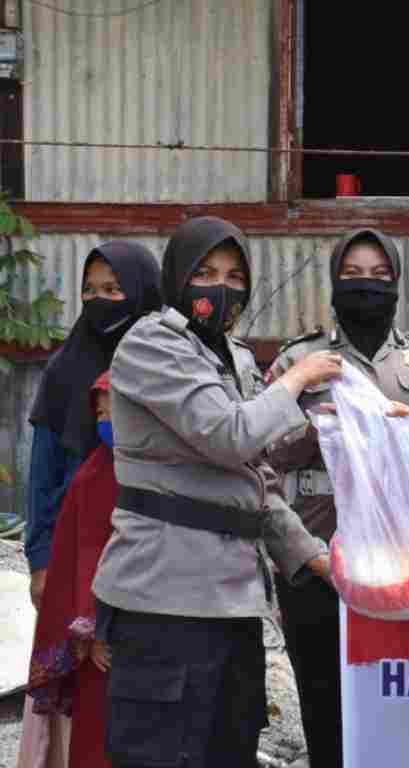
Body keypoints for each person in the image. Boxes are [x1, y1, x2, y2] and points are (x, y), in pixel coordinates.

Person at [92, 216, 340, 768]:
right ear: (177, 276)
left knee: (228, 750)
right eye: (204, 272)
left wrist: (315, 559)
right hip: (165, 599)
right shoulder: (152, 344)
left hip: (232, 602)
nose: (219, 289)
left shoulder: (235, 356)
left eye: (233, 276)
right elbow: (229, 436)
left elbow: (257, 482)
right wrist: (296, 380)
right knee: (164, 754)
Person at [264, 227, 409, 768]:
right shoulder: (299, 361)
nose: (366, 287)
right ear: (333, 282)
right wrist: (314, 431)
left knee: (407, 700)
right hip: (321, 561)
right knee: (326, 705)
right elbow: (256, 455)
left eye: (379, 276)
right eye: (353, 276)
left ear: (396, 283)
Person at [18, 241, 162, 768]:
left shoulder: (168, 368)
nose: (100, 301)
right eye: (91, 291)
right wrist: (39, 561)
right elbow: (44, 476)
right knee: (76, 697)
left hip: (150, 560)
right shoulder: (65, 370)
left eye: (114, 290)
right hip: (75, 556)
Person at [27, 372, 117, 768]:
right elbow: (82, 560)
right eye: (99, 415)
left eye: (113, 413)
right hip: (103, 644)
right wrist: (91, 629)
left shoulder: (161, 472)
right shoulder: (94, 475)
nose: (105, 423)